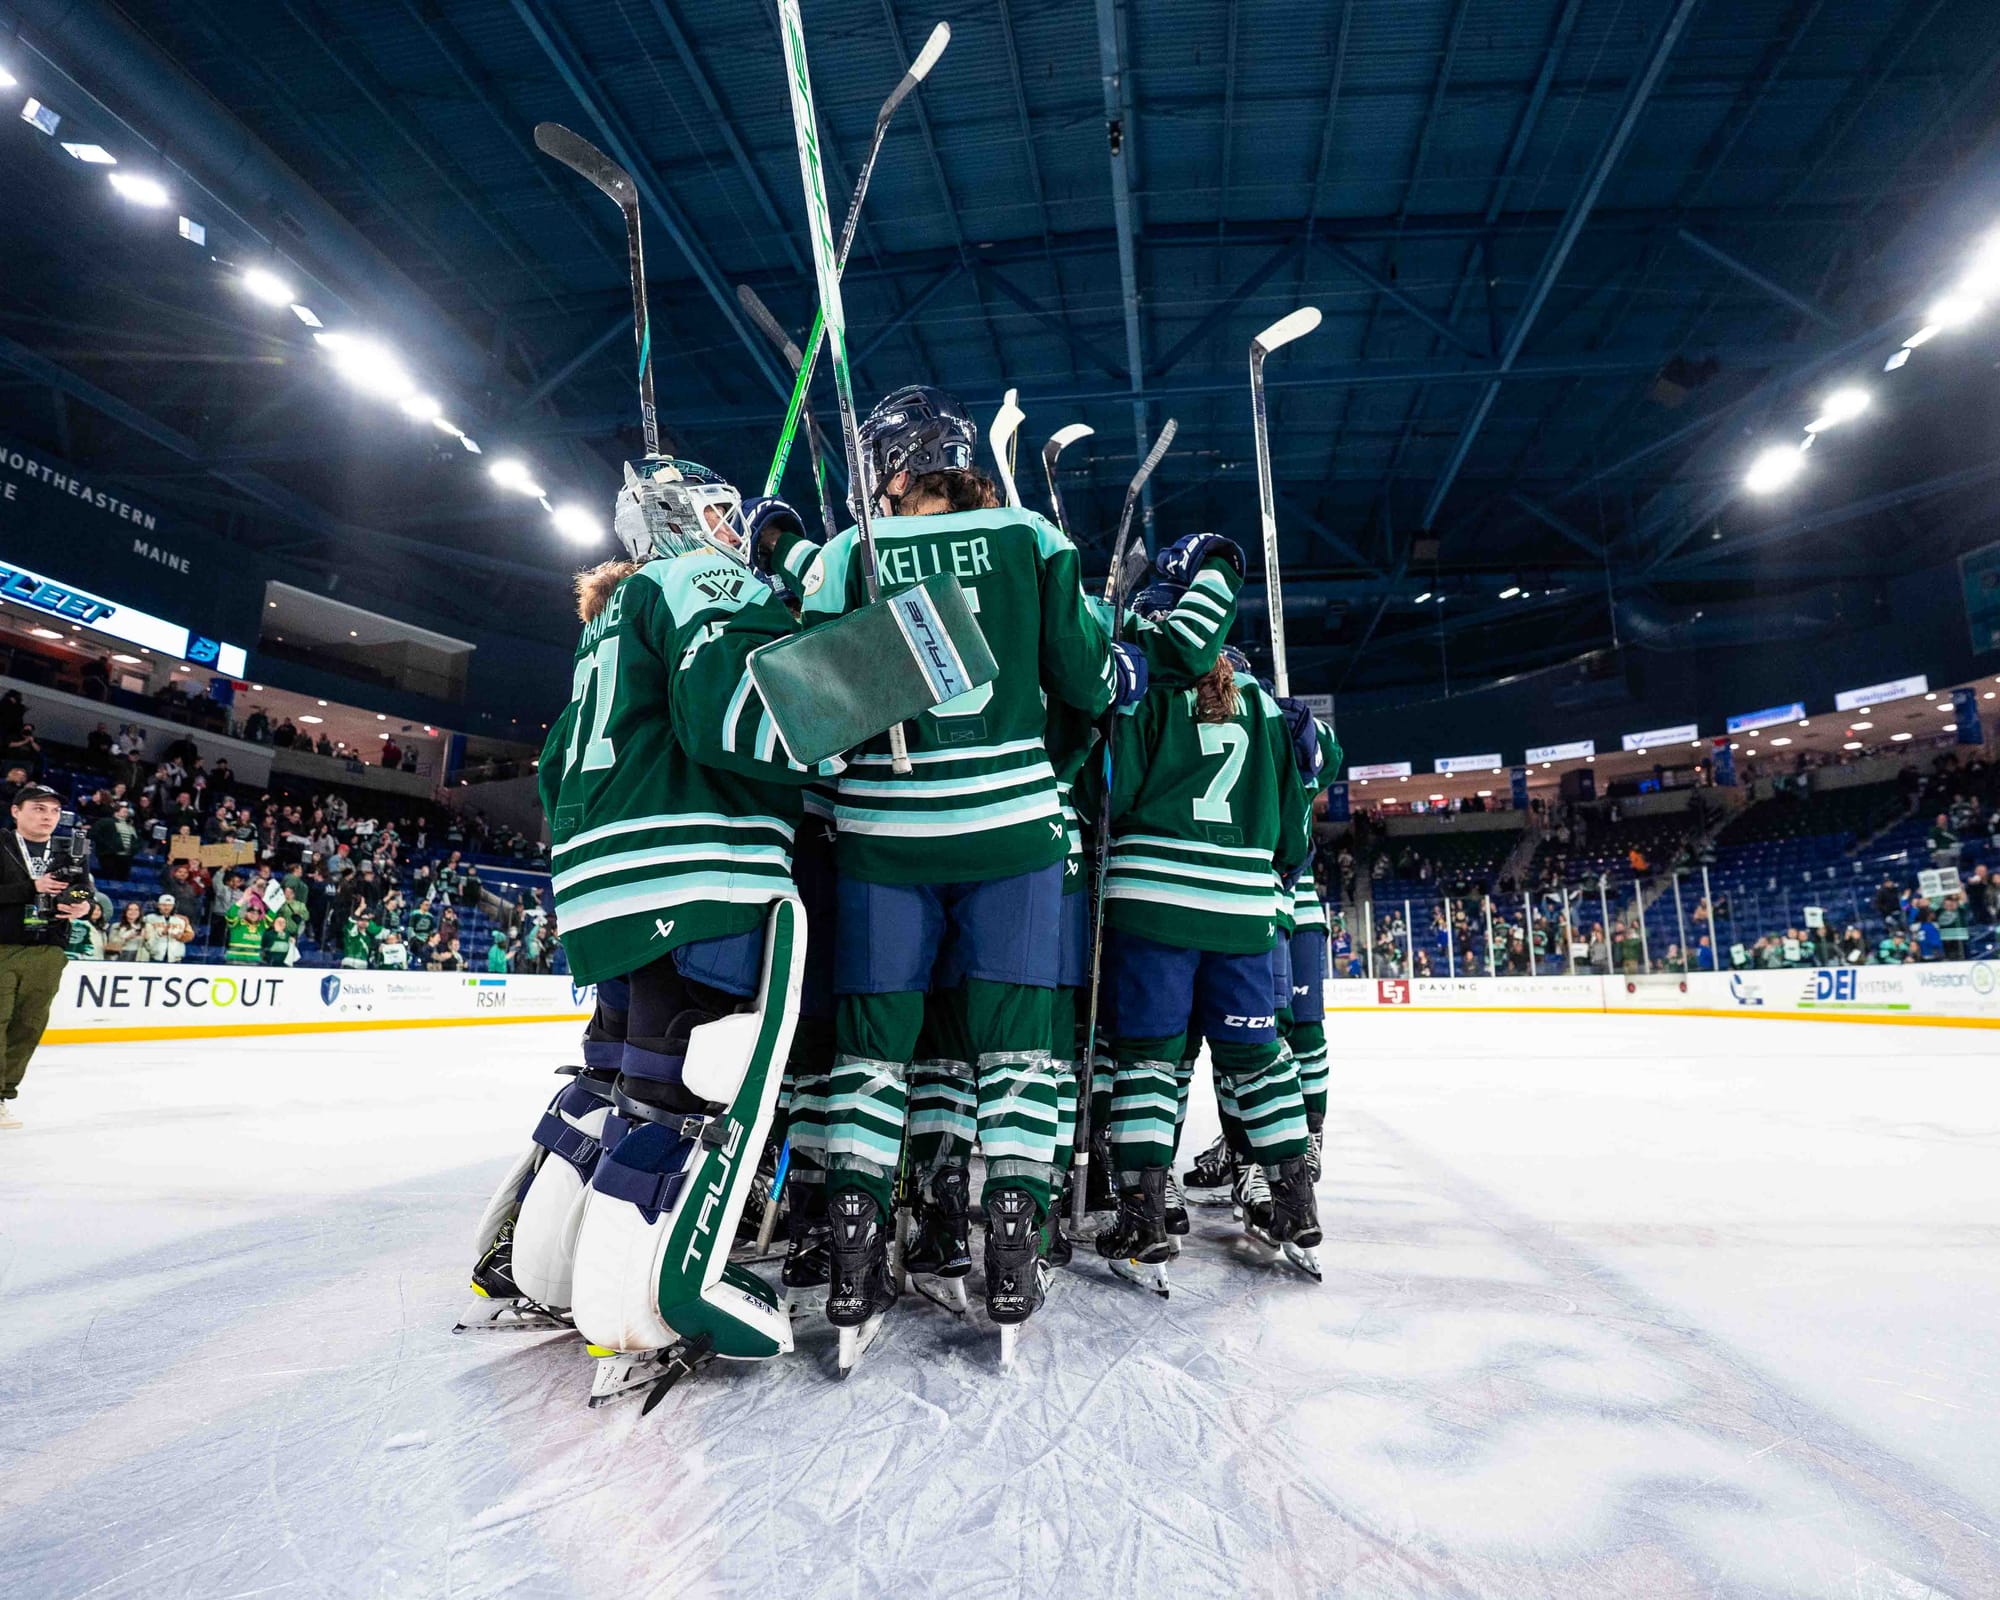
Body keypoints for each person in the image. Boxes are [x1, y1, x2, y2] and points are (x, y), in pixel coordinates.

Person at [764, 386, 1147, 1352]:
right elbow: (1089, 680)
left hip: (885, 840)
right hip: (1014, 830)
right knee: (1018, 1047)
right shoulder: (1033, 537)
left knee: (871, 1049)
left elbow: (810, 703)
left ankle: (855, 1261)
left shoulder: (851, 551)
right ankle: (1012, 1247)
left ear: (897, 470)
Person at [1083, 644, 1318, 1282]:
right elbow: (1296, 829)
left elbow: (1110, 793)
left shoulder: (1149, 693)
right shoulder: (1263, 705)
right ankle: (1295, 1202)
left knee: (1149, 1061)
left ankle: (1144, 1215)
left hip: (1155, 903)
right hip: (1242, 910)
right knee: (1258, 1060)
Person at [0, 784, 95, 1125]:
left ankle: (2, 1096)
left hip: (49, 949)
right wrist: (31, 887)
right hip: (3, 945)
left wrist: (85, 906)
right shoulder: (3, 844)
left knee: (28, 1026)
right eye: (39, 808)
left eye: (54, 811)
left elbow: (87, 890)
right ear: (16, 811)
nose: (48, 816)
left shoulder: (70, 850)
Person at [90, 802, 140, 881]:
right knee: (110, 877)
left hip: (126, 858)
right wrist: (108, 846)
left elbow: (136, 840)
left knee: (123, 878)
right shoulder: (106, 822)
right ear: (116, 812)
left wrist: (134, 849)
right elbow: (93, 833)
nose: (126, 813)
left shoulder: (131, 826)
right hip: (110, 856)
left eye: (127, 812)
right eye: (124, 811)